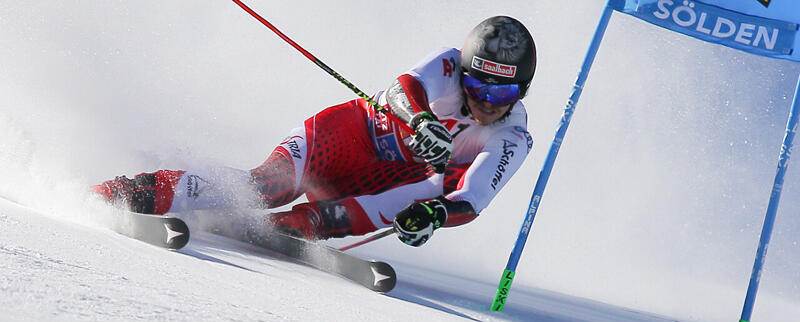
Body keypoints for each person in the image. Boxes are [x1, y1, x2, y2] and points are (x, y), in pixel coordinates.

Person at [92, 16, 536, 247]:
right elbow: (404, 89)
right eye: (478, 84)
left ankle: (275, 228)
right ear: (464, 70)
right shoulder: (445, 63)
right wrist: (421, 120)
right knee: (264, 188)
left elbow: (471, 199)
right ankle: (126, 191)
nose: (488, 101)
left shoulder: (512, 137)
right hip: (345, 138)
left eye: (506, 91)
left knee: (314, 224)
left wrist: (434, 217)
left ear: (525, 89)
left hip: (384, 183)